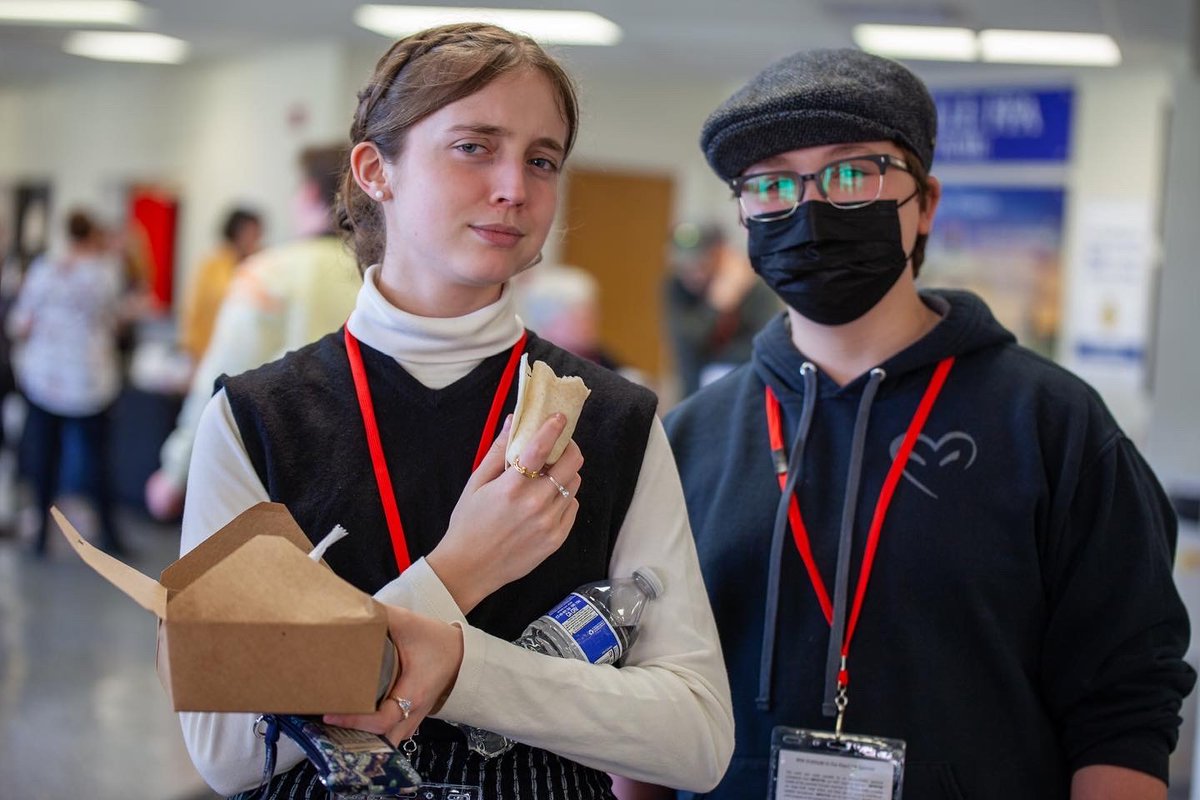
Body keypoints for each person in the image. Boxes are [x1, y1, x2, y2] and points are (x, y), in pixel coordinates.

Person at [177, 23, 732, 800]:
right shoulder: (256, 418)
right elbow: (229, 750)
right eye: (475, 146)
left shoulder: (613, 420)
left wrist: (463, 668)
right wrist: (455, 573)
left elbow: (696, 737)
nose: (516, 187)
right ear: (377, 169)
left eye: (543, 159)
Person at [651, 48, 1195, 799]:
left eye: (852, 173)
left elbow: (1124, 701)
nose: (810, 207)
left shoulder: (1053, 427)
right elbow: (643, 704)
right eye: (772, 183)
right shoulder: (688, 439)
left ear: (926, 204)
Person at [143, 147, 360, 521]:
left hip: (269, 480)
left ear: (308, 195)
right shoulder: (380, 275)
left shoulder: (269, 274)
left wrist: (176, 471)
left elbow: (220, 382)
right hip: (358, 481)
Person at [7, 209, 127, 555]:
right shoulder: (105, 273)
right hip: (90, 383)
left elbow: (20, 324)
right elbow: (117, 321)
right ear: (93, 235)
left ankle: (41, 537)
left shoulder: (44, 271)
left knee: (43, 460)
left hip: (44, 382)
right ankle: (110, 534)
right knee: (99, 462)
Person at [663, 222, 778, 398]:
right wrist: (716, 304)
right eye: (684, 264)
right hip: (694, 398)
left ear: (722, 254)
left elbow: (762, 350)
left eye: (701, 262)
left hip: (745, 397)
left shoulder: (757, 289)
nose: (691, 272)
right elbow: (686, 350)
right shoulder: (677, 287)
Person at [178, 207, 264, 361]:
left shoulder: (263, 263)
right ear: (235, 233)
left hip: (249, 352)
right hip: (209, 348)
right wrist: (190, 349)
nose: (254, 239)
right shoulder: (212, 265)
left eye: (256, 233)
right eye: (249, 232)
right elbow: (194, 308)